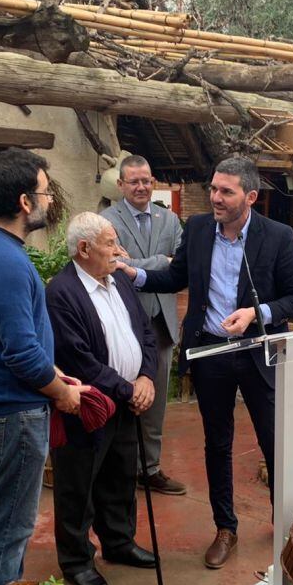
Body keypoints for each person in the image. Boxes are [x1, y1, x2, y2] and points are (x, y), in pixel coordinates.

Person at [120, 157, 293, 569]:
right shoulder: (200, 229)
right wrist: (130, 273)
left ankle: (288, 525)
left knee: (272, 440)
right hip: (210, 354)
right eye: (213, 189)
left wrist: (255, 314)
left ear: (251, 197)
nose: (215, 198)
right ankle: (225, 528)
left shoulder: (277, 236)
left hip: (258, 353)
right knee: (217, 444)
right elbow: (176, 278)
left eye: (226, 191)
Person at [0, 147, 87, 585]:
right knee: (12, 524)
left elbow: (10, 338)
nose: (50, 200)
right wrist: (61, 393)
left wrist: (55, 373)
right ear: (24, 202)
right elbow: (20, 354)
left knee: (4, 517)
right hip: (13, 411)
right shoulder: (8, 262)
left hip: (2, 404)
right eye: (44, 192)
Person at [45, 212, 158, 585]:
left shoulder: (118, 282)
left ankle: (119, 542)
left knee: (120, 475)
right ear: (84, 249)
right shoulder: (62, 293)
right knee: (79, 481)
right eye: (110, 243)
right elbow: (77, 359)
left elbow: (145, 331)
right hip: (89, 405)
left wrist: (146, 377)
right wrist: (126, 389)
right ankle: (77, 560)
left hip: (126, 401)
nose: (118, 250)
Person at [101, 154, 187, 496]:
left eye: (147, 180)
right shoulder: (107, 220)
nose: (141, 187)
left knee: (156, 400)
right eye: (134, 181)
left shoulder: (170, 220)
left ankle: (149, 468)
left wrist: (134, 264)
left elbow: (180, 264)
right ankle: (118, 467)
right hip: (123, 322)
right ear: (121, 185)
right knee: (121, 394)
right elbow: (110, 263)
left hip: (161, 324)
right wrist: (158, 263)